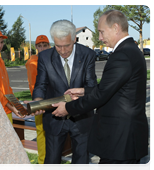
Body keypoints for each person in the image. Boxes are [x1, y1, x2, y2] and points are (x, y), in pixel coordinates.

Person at [51, 10, 148, 170]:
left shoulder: (122, 55)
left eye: (102, 32)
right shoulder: (131, 50)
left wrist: (67, 108)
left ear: (116, 28)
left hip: (119, 142)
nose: (100, 38)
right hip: (127, 140)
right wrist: (84, 91)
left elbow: (101, 95)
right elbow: (113, 89)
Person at [31, 20, 97, 170]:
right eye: (58, 46)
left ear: (74, 38)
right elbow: (41, 84)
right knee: (52, 161)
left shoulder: (88, 55)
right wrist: (38, 102)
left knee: (81, 162)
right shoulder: (45, 57)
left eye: (67, 45)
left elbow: (91, 86)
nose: (62, 50)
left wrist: (73, 103)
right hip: (54, 117)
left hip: (81, 117)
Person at [25, 35, 50, 167]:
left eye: (44, 45)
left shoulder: (50, 58)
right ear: (36, 48)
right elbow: (34, 86)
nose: (42, 48)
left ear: (49, 46)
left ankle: (50, 157)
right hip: (41, 102)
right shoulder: (33, 62)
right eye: (39, 46)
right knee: (41, 131)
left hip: (52, 101)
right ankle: (42, 160)